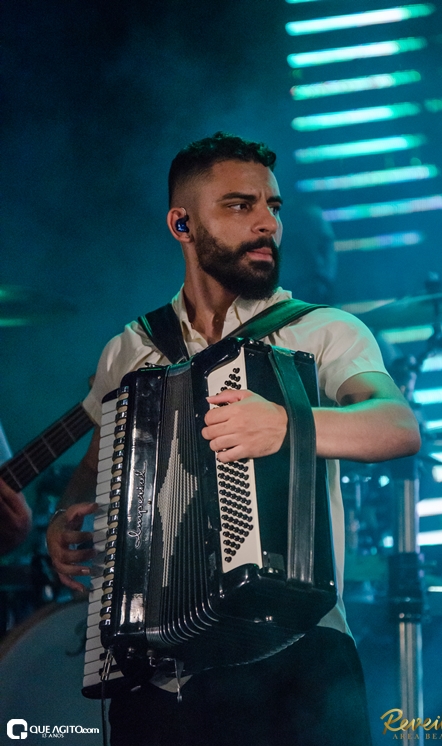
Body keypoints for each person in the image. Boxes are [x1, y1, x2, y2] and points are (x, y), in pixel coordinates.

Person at [46, 132, 420, 745]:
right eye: (241, 205)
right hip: (157, 680)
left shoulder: (322, 331)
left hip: (297, 660)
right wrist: (65, 519)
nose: (267, 223)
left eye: (273, 206)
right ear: (182, 225)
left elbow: (397, 427)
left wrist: (287, 425)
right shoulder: (130, 350)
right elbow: (94, 468)